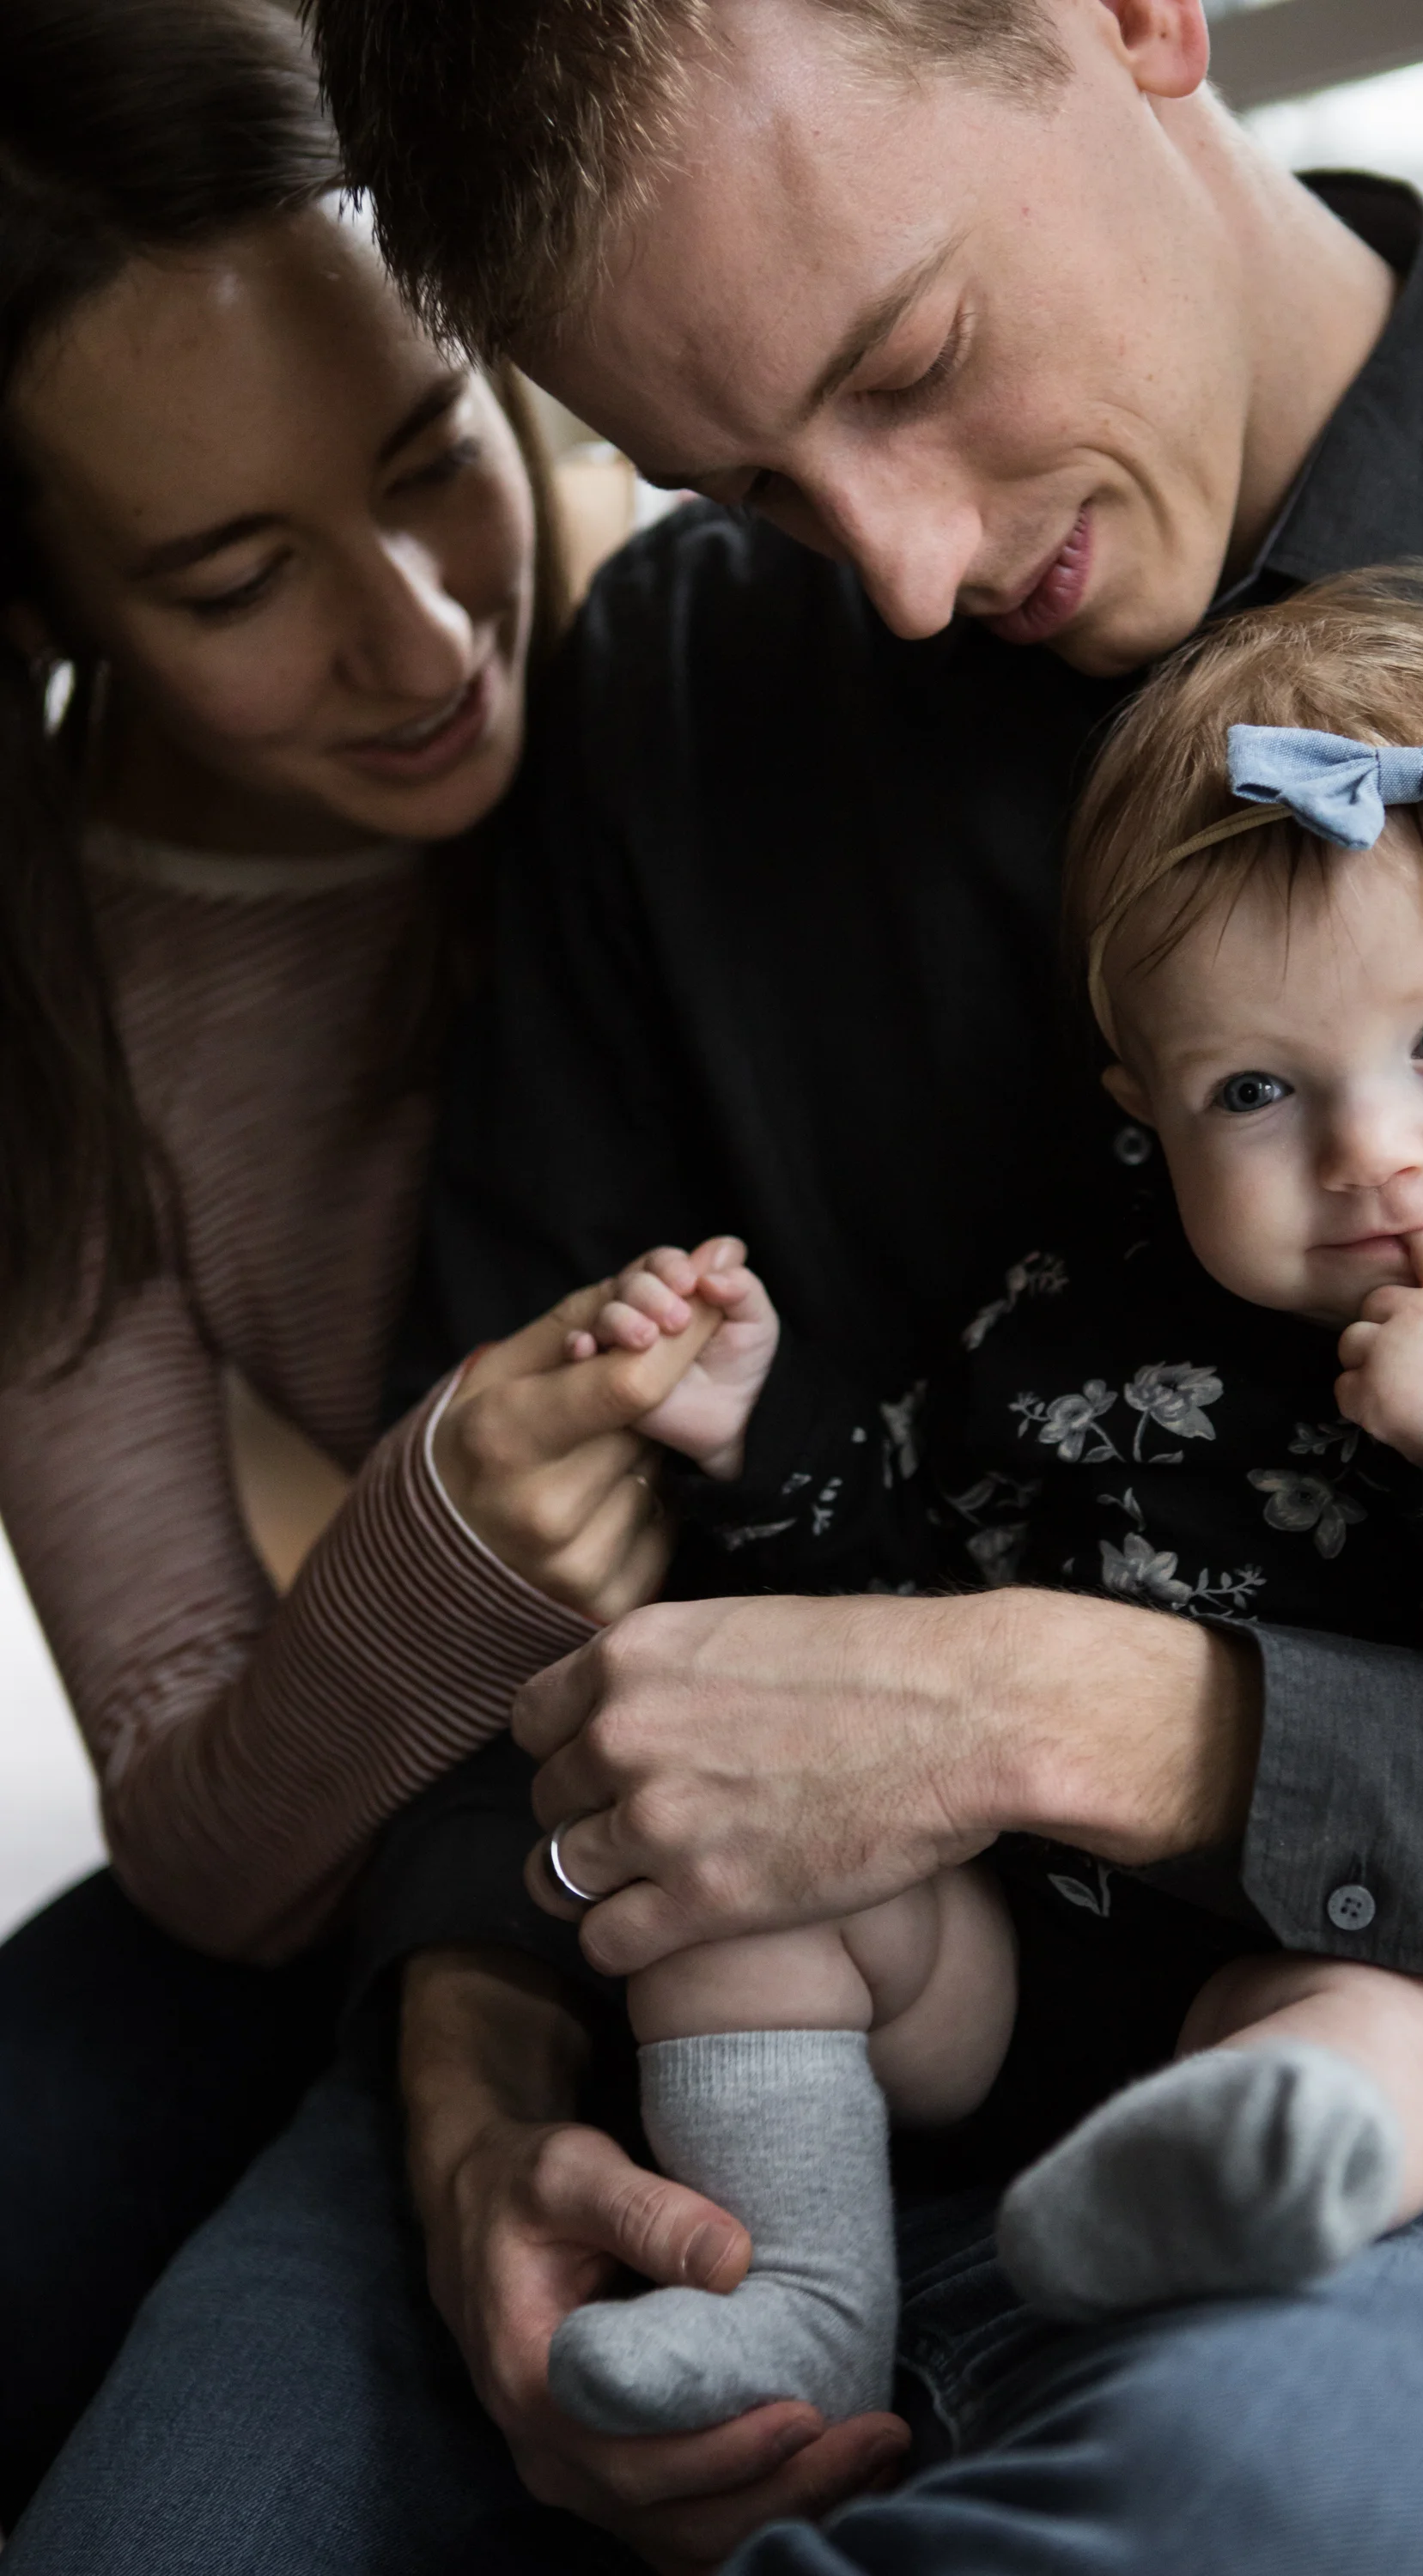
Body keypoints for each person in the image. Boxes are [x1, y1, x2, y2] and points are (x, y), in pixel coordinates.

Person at [18, 0, 1423, 2566]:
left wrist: (1067, 1710)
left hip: (1394, 2189)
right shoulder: (668, 679)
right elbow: (506, 1658)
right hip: (681, 2075)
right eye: (738, 481)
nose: (902, 576)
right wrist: (476, 2108)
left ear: (1132, 15)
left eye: (909, 360)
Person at [542, 567, 1423, 2439]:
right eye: (1255, 1090)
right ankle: (798, 2303)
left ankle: (1222, 2198)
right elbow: (889, 1598)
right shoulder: (1067, 1328)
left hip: (1351, 1970)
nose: (1369, 1149)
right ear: (1144, 1113)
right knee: (723, 1884)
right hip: (1012, 1970)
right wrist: (755, 1430)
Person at [0, 0, 675, 2521]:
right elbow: (193, 1818)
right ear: (52, 605)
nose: (414, 636)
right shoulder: (57, 1001)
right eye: (235, 578)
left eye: (429, 457)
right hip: (379, 1858)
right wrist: (446, 1546)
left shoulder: (714, 644)